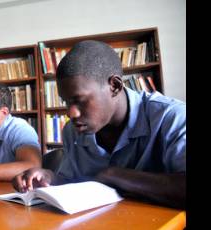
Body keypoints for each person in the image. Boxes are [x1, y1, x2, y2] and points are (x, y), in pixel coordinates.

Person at [12, 40, 186, 209]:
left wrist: (114, 175)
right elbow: (76, 184)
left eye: (80, 100)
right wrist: (50, 177)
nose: (71, 113)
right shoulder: (72, 132)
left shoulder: (172, 117)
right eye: (66, 102)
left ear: (115, 86)